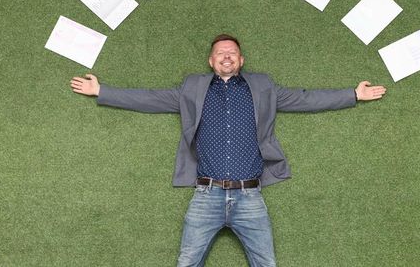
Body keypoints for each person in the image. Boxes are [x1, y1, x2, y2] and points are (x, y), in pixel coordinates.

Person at [69, 34, 386, 266]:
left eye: (232, 53)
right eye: (220, 53)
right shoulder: (192, 88)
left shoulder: (263, 87)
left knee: (266, 263)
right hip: (205, 196)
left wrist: (352, 94)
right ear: (211, 61)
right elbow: (150, 98)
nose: (226, 56)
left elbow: (306, 99)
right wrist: (102, 91)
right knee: (187, 262)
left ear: (241, 60)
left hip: (251, 197)